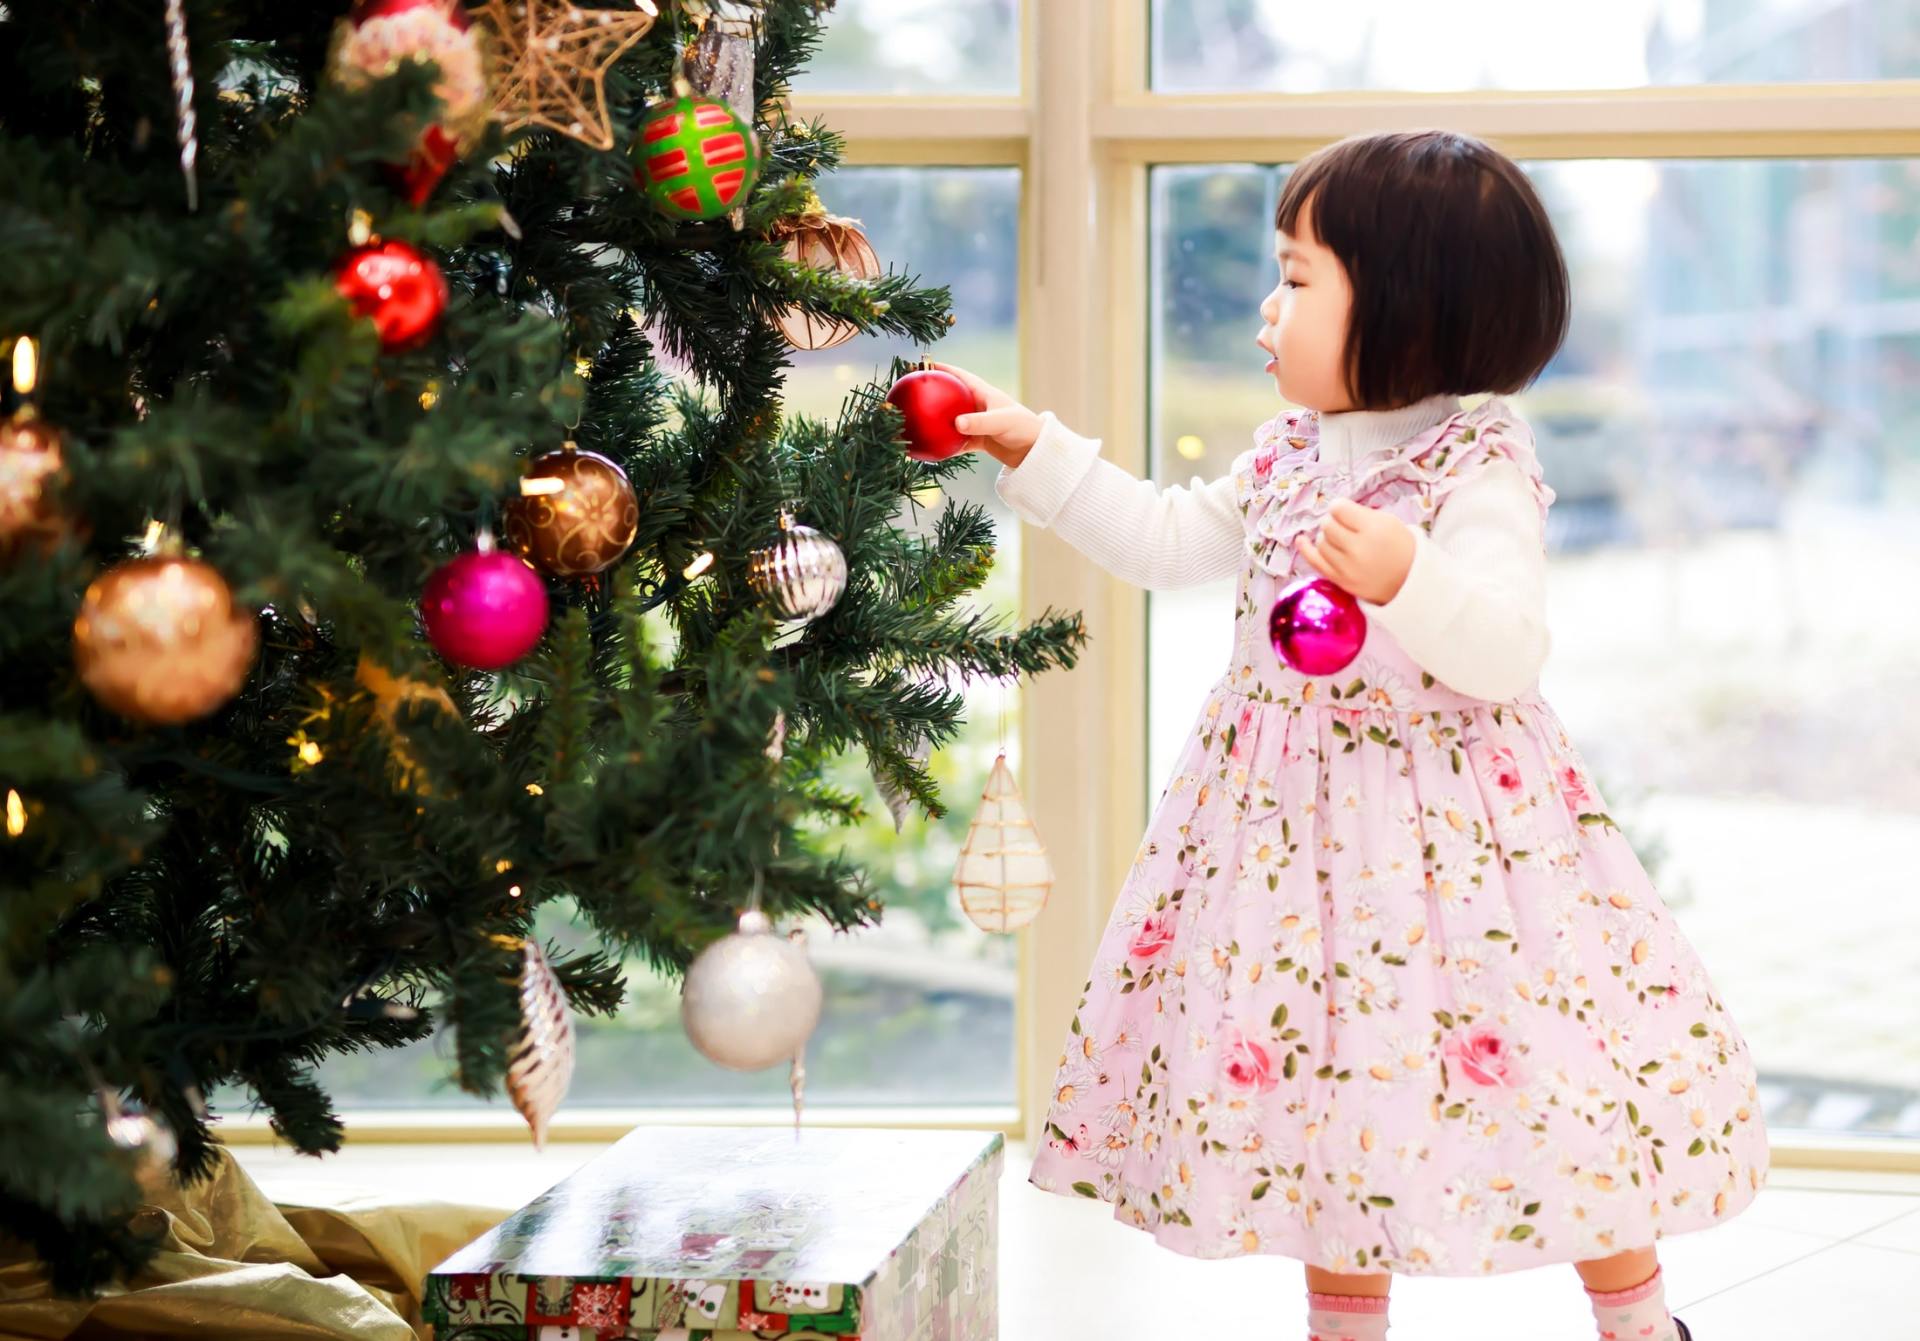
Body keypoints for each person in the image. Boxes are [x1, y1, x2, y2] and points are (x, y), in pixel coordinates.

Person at [936, 129, 1767, 1341]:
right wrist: (1041, 453)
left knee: (1552, 1075)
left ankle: (1638, 1321)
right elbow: (1170, 543)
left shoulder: (1472, 463)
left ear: (1412, 306)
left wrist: (1408, 577)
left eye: (1299, 278)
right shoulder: (1284, 457)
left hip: (1465, 855)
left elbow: (1505, 653)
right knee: (1327, 1092)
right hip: (1289, 847)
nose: (1268, 308)